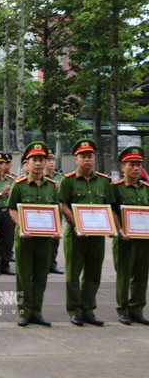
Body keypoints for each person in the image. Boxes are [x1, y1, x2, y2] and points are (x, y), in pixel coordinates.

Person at [59, 138, 114, 327]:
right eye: (83, 156)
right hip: (75, 235)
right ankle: (75, 311)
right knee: (73, 274)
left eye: (90, 156)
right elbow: (63, 205)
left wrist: (112, 227)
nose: (87, 159)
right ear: (76, 159)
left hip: (97, 236)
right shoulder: (67, 181)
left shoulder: (104, 181)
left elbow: (109, 206)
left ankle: (88, 309)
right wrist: (77, 224)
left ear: (94, 158)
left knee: (93, 273)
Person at [7, 142, 60, 327]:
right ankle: (24, 312)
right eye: (34, 160)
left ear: (46, 162)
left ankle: (37, 312)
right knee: (23, 275)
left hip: (45, 240)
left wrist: (56, 230)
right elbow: (12, 210)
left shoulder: (52, 186)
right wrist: (22, 226)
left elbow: (55, 211)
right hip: (25, 238)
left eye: (41, 160)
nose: (38, 164)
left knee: (41, 276)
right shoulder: (19, 185)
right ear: (27, 164)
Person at [111, 146, 149, 326]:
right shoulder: (116, 188)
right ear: (123, 167)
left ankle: (137, 309)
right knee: (124, 275)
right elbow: (112, 211)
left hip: (144, 239)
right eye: (131, 164)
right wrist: (119, 229)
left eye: (138, 164)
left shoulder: (146, 188)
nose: (135, 168)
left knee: (141, 274)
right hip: (125, 239)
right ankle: (123, 310)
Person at [45, 148, 64, 275]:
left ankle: (52, 263)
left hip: (57, 211)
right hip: (45, 211)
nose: (51, 162)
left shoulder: (60, 177)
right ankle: (44, 264)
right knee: (45, 239)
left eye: (53, 160)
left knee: (55, 239)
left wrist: (60, 189)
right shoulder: (41, 177)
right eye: (49, 160)